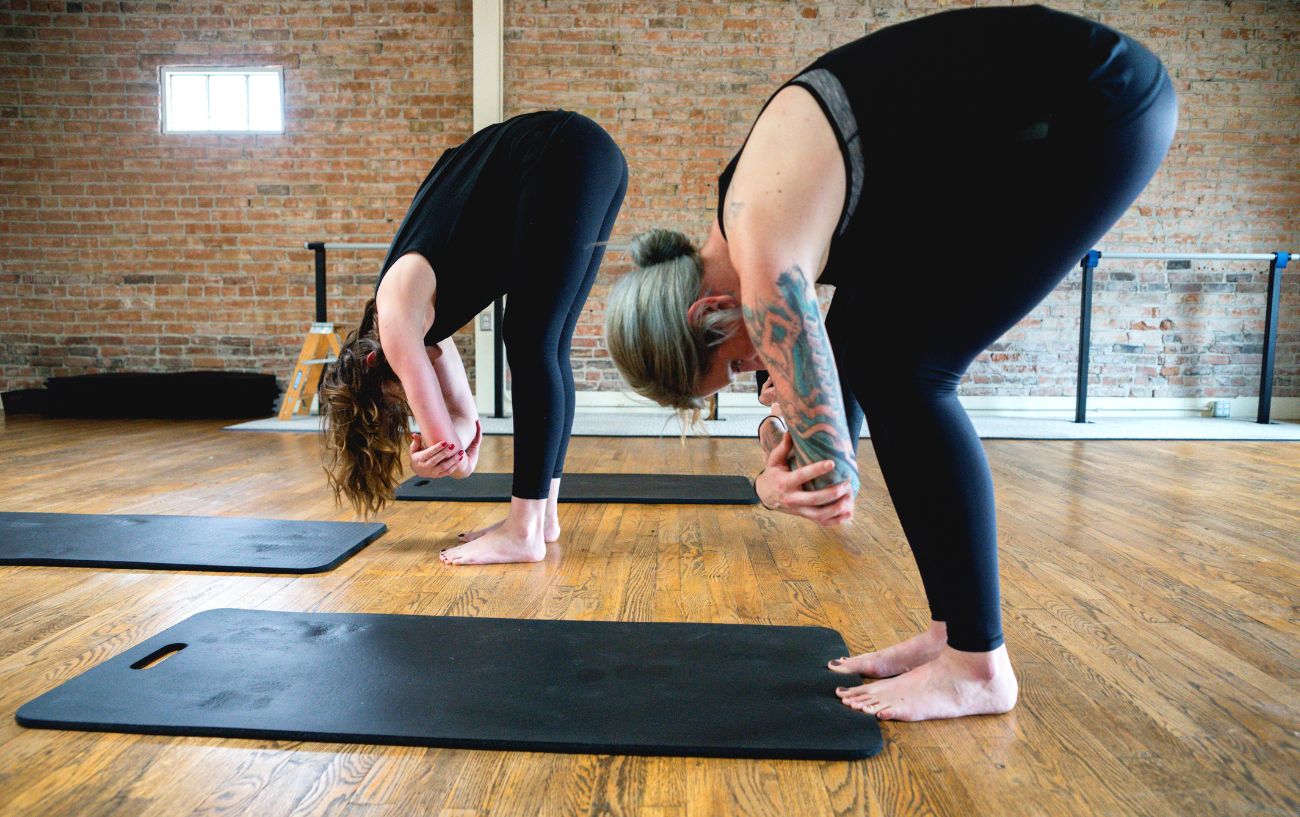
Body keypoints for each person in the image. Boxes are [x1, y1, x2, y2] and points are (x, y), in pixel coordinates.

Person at [604, 6, 1176, 721]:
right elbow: (826, 405)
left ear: (708, 315)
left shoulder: (765, 250)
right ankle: (951, 631)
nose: (753, 372)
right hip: (1002, 145)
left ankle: (978, 666)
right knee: (880, 355)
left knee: (909, 370)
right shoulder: (744, 241)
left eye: (732, 365)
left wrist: (781, 483)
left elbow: (836, 480)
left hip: (1095, 106)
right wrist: (779, 457)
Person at [322, 110, 628, 565]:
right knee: (547, 341)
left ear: (373, 365)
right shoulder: (418, 321)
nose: (411, 398)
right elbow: (464, 419)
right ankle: (542, 517)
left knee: (529, 338)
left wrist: (445, 456)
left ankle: (523, 532)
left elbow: (458, 455)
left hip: (560, 153)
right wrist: (446, 449)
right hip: (585, 154)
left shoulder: (398, 324)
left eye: (398, 397)